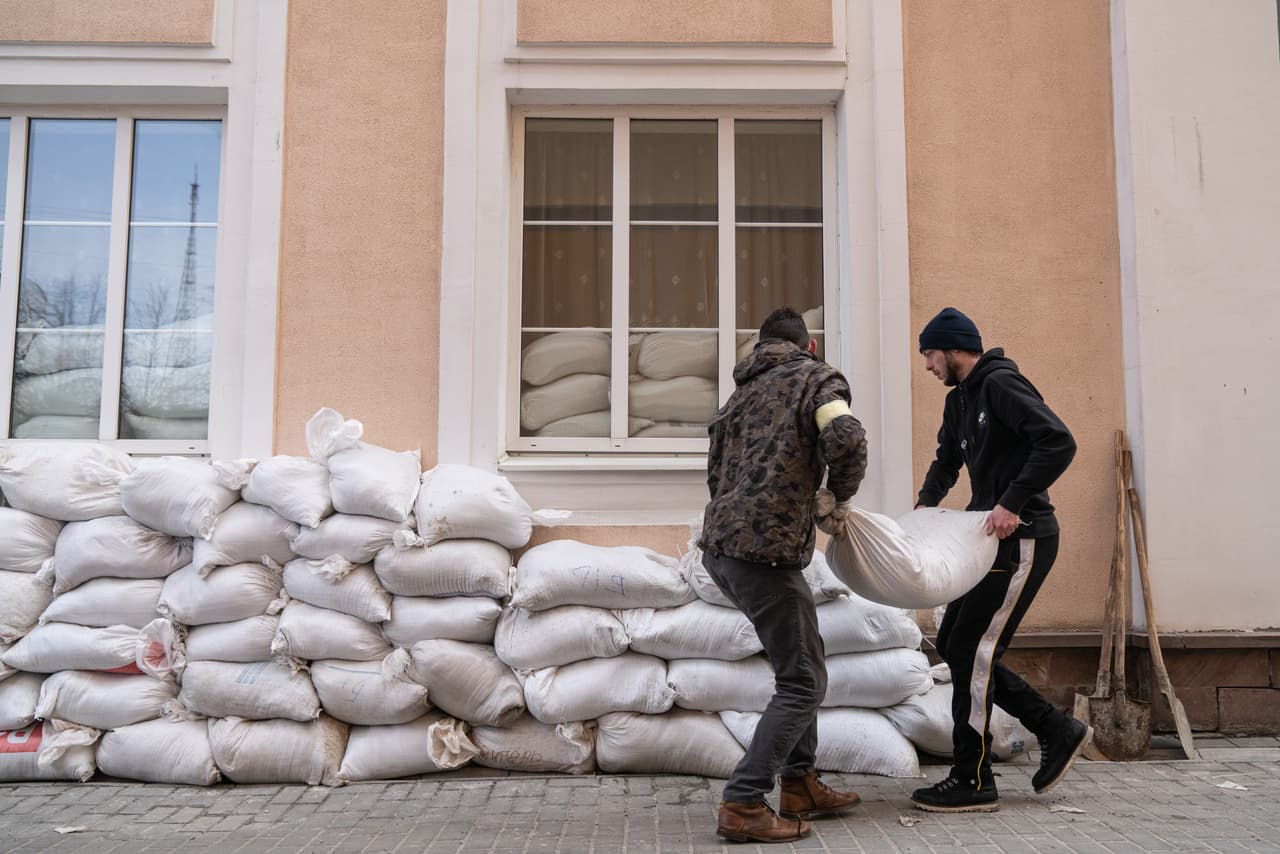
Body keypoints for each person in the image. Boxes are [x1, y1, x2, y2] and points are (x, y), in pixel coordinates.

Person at [910, 307, 1091, 813]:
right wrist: (925, 504)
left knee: (975, 650)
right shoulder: (959, 401)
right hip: (987, 542)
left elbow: (1058, 441)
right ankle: (1056, 728)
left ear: (953, 348)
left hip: (1025, 537)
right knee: (954, 642)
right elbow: (947, 459)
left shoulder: (1000, 385)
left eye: (930, 354)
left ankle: (972, 778)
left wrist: (1012, 501)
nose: (927, 365)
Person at [699, 306, 868, 843]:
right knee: (804, 680)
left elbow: (715, 473)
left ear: (760, 347)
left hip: (722, 550)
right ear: (807, 345)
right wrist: (838, 495)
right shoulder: (816, 379)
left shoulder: (738, 395)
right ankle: (744, 802)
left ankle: (800, 783)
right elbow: (846, 437)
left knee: (800, 659)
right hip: (765, 554)